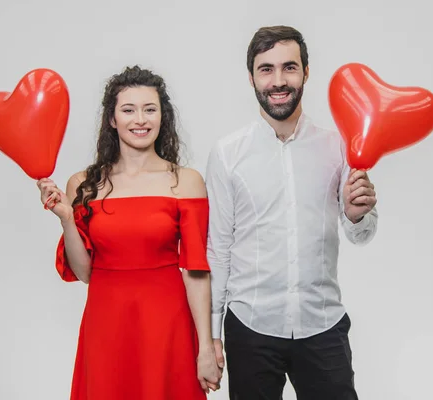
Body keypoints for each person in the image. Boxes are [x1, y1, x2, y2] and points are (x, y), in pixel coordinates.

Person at [206, 26, 379, 400]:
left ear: (306, 72)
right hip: (250, 325)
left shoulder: (340, 145)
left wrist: (356, 215)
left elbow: (362, 235)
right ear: (251, 76)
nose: (279, 80)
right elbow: (218, 249)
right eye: (266, 69)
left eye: (289, 67)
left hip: (322, 322)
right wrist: (212, 336)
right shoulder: (227, 153)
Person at [36, 65, 222, 400]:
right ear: (112, 119)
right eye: (128, 110)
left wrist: (206, 348)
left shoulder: (186, 181)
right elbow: (85, 272)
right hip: (106, 323)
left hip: (168, 323)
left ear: (162, 116)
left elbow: (196, 271)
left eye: (150, 109)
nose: (140, 120)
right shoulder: (83, 184)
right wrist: (66, 217)